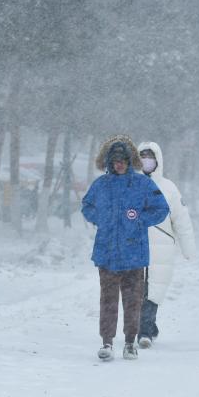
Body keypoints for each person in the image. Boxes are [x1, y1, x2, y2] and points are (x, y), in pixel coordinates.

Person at [81, 135, 170, 361]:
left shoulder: (142, 184)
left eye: (122, 159)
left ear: (130, 161)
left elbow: (161, 208)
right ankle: (107, 342)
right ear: (108, 162)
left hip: (134, 254)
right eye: (114, 160)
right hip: (106, 253)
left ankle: (130, 342)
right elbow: (87, 206)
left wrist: (140, 220)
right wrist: (99, 217)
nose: (118, 163)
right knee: (108, 300)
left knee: (133, 301)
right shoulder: (101, 185)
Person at [136, 141, 196, 349]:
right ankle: (146, 327)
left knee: (154, 289)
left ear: (157, 160)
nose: (146, 160)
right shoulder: (129, 184)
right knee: (136, 290)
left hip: (161, 248)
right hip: (133, 246)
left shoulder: (169, 188)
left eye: (150, 156)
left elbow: (181, 219)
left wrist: (188, 248)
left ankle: (145, 331)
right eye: (142, 156)